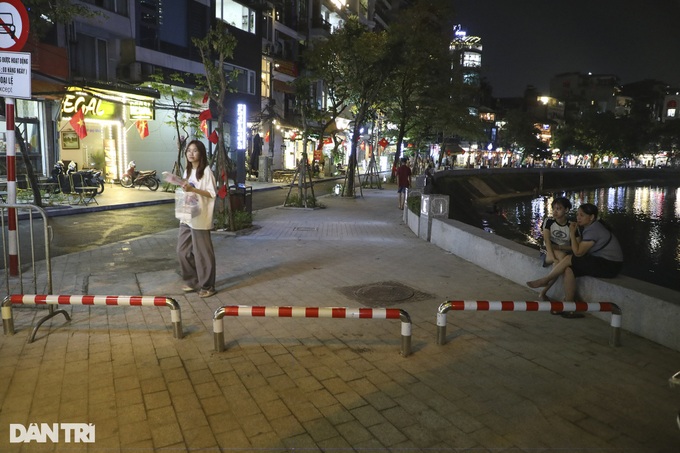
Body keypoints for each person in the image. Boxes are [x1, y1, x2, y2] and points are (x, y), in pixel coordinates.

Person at [527, 203, 623, 316]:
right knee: (568, 269)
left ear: (591, 217)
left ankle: (545, 280)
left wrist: (572, 233)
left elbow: (577, 252)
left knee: (569, 258)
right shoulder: (589, 228)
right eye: (577, 215)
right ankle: (569, 305)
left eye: (582, 215)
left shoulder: (594, 230)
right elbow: (578, 251)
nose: (578, 218)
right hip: (599, 261)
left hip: (610, 265)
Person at [177, 140, 217, 298]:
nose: (190, 153)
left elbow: (212, 193)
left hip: (200, 217)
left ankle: (208, 285)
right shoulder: (187, 172)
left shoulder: (206, 171)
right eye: (188, 150)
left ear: (201, 153)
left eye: (195, 151)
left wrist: (193, 189)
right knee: (182, 251)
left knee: (203, 254)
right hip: (187, 215)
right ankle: (192, 280)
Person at [538, 197, 576, 300]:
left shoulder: (571, 226)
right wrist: (553, 257)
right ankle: (568, 297)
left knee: (558, 264)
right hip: (547, 251)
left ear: (566, 210)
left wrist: (559, 247)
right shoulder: (549, 221)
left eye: (558, 209)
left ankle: (543, 292)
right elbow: (547, 241)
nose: (555, 211)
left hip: (562, 252)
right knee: (561, 257)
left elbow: (575, 247)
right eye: (554, 208)